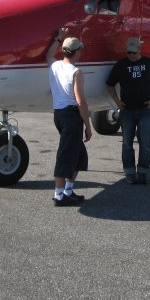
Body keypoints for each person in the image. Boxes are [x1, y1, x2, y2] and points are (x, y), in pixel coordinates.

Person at [106, 37, 150, 185]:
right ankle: (129, 172)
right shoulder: (121, 65)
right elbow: (110, 84)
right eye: (128, 52)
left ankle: (143, 171)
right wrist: (117, 102)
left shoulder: (149, 63)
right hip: (127, 111)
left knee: (145, 142)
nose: (131, 55)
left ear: (140, 50)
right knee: (127, 143)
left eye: (133, 52)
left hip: (145, 110)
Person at [46, 27, 92, 206]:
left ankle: (68, 191)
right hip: (71, 117)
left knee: (79, 155)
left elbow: (49, 54)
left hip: (59, 115)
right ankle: (59, 196)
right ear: (77, 51)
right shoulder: (76, 72)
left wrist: (58, 38)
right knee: (66, 155)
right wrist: (88, 125)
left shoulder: (55, 65)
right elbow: (81, 102)